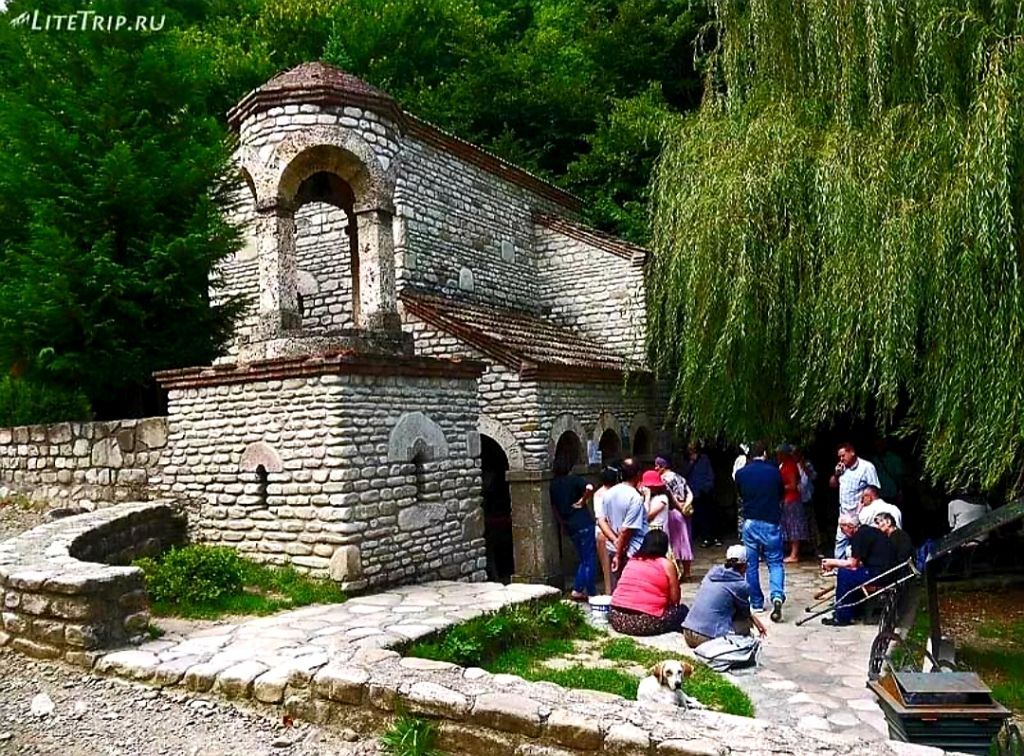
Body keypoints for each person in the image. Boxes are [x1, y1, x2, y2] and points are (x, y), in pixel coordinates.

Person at [734, 441, 786, 622]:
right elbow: (781, 494)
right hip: (771, 522)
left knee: (751, 564)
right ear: (764, 453)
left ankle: (756, 602)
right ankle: (777, 595)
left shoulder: (741, 474)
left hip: (750, 522)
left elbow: (741, 495)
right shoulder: (774, 472)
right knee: (775, 562)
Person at [682, 545, 768, 648]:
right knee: (743, 624)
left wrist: (755, 620)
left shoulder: (711, 574)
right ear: (745, 565)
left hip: (688, 632)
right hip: (705, 638)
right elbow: (744, 613)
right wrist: (755, 623)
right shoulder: (740, 586)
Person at [820, 514, 896, 625]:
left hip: (881, 574)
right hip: (886, 572)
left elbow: (852, 564)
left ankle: (842, 617)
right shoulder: (867, 531)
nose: (842, 532)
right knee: (851, 574)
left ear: (849, 526)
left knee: (845, 575)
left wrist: (832, 562)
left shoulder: (859, 536)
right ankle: (851, 612)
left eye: (842, 528)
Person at [609, 530, 688, 636]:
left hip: (616, 617)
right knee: (682, 611)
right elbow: (675, 600)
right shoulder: (666, 564)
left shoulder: (632, 560)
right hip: (644, 622)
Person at [549, 458, 598, 600]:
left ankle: (579, 589)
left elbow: (554, 508)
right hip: (583, 522)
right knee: (589, 559)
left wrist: (562, 524)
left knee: (583, 559)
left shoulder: (553, 485)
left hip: (570, 525)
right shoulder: (574, 479)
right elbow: (590, 487)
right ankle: (589, 592)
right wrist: (583, 500)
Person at [829, 442, 880, 559]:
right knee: (840, 542)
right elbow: (832, 485)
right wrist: (836, 474)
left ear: (852, 452)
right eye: (839, 456)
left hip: (860, 513)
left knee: (860, 542)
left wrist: (866, 506)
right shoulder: (841, 468)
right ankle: (838, 566)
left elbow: (874, 490)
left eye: (843, 455)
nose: (841, 459)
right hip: (844, 513)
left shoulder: (867, 467)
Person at [603, 458, 648, 588]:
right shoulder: (635, 497)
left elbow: (602, 521)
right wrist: (618, 554)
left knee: (618, 588)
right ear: (639, 474)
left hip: (613, 547)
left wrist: (615, 541)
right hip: (632, 551)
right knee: (633, 589)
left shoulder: (608, 493)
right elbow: (626, 529)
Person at [654, 454, 694, 580]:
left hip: (672, 512)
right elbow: (689, 493)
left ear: (663, 466)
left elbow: (671, 496)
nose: (655, 468)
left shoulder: (663, 479)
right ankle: (687, 572)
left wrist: (678, 506)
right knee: (685, 540)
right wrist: (686, 505)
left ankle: (675, 572)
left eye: (657, 466)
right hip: (684, 512)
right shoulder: (680, 477)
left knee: (674, 542)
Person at [777, 443, 809, 563]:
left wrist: (780, 487)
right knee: (788, 526)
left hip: (792, 500)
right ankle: (792, 552)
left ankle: (794, 554)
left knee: (793, 526)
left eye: (779, 454)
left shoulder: (790, 465)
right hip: (786, 499)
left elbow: (793, 485)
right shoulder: (784, 465)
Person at [683, 442, 717, 548]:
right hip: (691, 492)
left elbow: (710, 474)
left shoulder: (704, 459)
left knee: (706, 515)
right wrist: (691, 463)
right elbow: (683, 474)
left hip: (703, 492)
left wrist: (706, 488)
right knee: (694, 515)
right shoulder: (686, 460)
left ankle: (708, 537)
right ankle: (695, 535)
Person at [593, 466, 621, 595]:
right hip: (609, 532)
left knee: (607, 568)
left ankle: (609, 592)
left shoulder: (598, 493)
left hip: (602, 532)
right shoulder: (615, 493)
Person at [870, 438, 904, 503]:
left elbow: (899, 477)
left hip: (892, 493)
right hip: (880, 494)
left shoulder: (894, 458)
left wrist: (900, 490)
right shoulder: (874, 460)